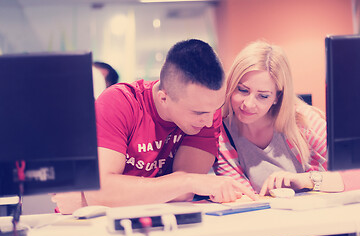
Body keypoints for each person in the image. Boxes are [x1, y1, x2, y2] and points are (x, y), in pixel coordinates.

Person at [52, 39, 257, 214]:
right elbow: (102, 193)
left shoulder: (207, 111)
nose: (209, 120)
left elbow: (182, 195)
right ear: (164, 97)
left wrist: (91, 199)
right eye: (198, 112)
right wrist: (186, 182)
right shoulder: (119, 102)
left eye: (217, 108)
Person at [213, 40, 328, 196]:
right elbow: (243, 199)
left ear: (277, 97)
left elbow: (353, 175)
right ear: (231, 84)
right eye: (242, 90)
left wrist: (305, 180)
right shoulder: (221, 137)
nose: (248, 104)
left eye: (263, 96)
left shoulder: (305, 122)